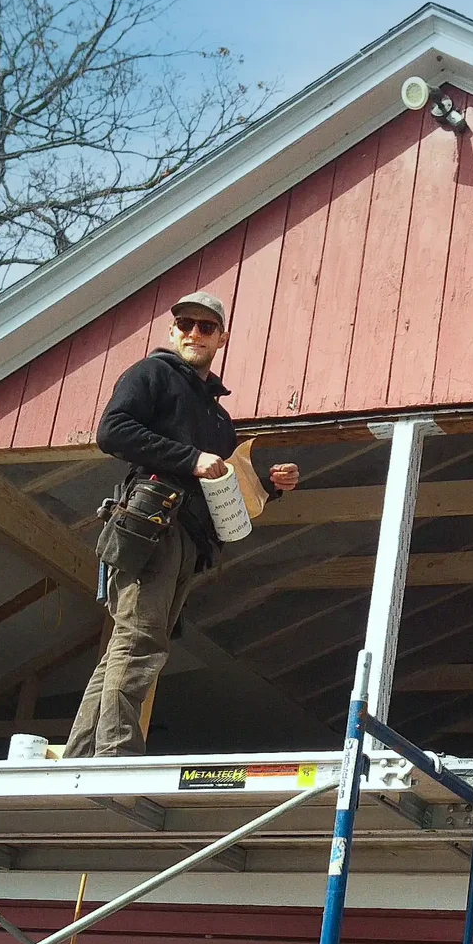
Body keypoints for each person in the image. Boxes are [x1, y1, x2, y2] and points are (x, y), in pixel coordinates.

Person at [65, 292, 299, 756]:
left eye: (206, 327)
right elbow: (113, 431)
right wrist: (190, 458)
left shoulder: (218, 417)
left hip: (190, 537)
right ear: (171, 332)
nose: (194, 332)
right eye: (185, 324)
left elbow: (224, 488)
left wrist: (270, 487)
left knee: (129, 646)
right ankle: (116, 755)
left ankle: (81, 754)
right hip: (151, 524)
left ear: (222, 338)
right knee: (140, 641)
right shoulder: (152, 374)